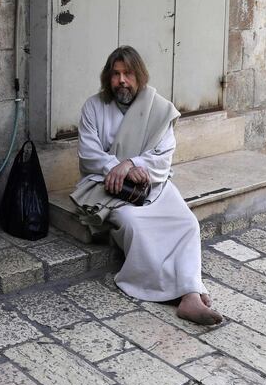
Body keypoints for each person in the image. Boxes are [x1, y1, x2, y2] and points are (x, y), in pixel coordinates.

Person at [70, 46, 222, 325]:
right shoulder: (94, 107)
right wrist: (114, 169)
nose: (121, 81)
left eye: (127, 73)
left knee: (187, 222)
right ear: (108, 77)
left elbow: (163, 157)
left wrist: (130, 164)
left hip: (150, 185)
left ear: (139, 76)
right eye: (115, 74)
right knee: (133, 224)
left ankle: (189, 292)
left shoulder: (159, 110)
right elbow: (89, 155)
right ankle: (179, 293)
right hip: (110, 189)